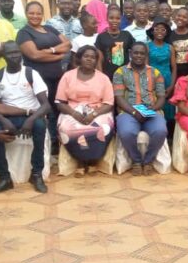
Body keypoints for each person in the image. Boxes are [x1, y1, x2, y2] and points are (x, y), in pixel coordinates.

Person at [0, 42, 52, 194]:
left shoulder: (31, 73)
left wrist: (31, 120)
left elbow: (46, 105)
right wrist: (3, 120)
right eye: (10, 53)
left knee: (40, 126)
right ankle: (4, 178)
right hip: (8, 117)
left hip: (31, 115)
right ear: (3, 56)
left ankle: (36, 174)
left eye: (17, 52)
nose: (15, 56)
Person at [17, 1, 72, 155]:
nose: (35, 16)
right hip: (38, 79)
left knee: (58, 108)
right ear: (26, 14)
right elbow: (34, 55)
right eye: (32, 13)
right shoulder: (24, 33)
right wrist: (58, 56)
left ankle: (57, 143)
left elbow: (68, 44)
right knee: (44, 111)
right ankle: (45, 145)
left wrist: (50, 50)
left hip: (57, 78)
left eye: (38, 13)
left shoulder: (49, 28)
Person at [55, 46, 115, 178]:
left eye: (93, 57)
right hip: (72, 110)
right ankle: (81, 162)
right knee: (67, 129)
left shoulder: (103, 78)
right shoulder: (68, 76)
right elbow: (60, 102)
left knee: (102, 128)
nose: (89, 59)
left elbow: (109, 103)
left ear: (96, 61)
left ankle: (93, 160)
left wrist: (93, 114)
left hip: (98, 110)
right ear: (79, 58)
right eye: (86, 56)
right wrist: (74, 114)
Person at [113, 42, 169, 176]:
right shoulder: (120, 72)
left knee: (160, 131)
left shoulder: (155, 72)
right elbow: (119, 98)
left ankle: (148, 161)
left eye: (142, 53)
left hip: (151, 110)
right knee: (126, 132)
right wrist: (133, 111)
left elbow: (161, 96)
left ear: (146, 55)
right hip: (128, 110)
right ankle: (136, 160)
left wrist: (153, 108)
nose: (139, 56)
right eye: (136, 53)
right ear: (130, 53)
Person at [147, 17, 177, 123]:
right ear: (152, 31)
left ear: (166, 33)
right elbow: (145, 67)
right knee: (154, 103)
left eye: (163, 29)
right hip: (152, 79)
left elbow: (174, 68)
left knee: (168, 106)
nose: (159, 31)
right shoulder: (147, 47)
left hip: (167, 79)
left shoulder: (170, 48)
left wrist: (172, 86)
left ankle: (168, 134)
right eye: (157, 29)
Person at [96, 7, 135, 79]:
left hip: (125, 75)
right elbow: (99, 59)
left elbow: (134, 52)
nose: (114, 21)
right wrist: (101, 76)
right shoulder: (101, 36)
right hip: (107, 75)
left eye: (118, 18)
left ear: (121, 19)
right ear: (107, 19)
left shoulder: (126, 35)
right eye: (111, 18)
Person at [167, 7, 188, 80]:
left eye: (184, 17)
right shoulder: (169, 35)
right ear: (175, 17)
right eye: (179, 15)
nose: (180, 18)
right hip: (173, 73)